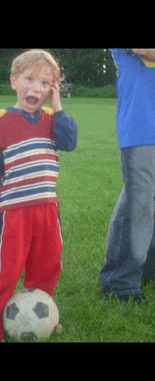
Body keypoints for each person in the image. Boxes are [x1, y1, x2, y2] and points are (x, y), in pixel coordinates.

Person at [0, 49, 78, 342]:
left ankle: (43, 315)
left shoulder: (52, 119)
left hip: (47, 208)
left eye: (46, 83)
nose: (36, 88)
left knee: (47, 265)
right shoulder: (1, 119)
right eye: (29, 79)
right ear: (14, 81)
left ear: (52, 90)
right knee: (5, 272)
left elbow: (69, 142)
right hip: (14, 212)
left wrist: (58, 106)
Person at [100, 49, 155, 304]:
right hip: (141, 126)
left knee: (143, 200)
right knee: (139, 204)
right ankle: (120, 282)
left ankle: (147, 268)